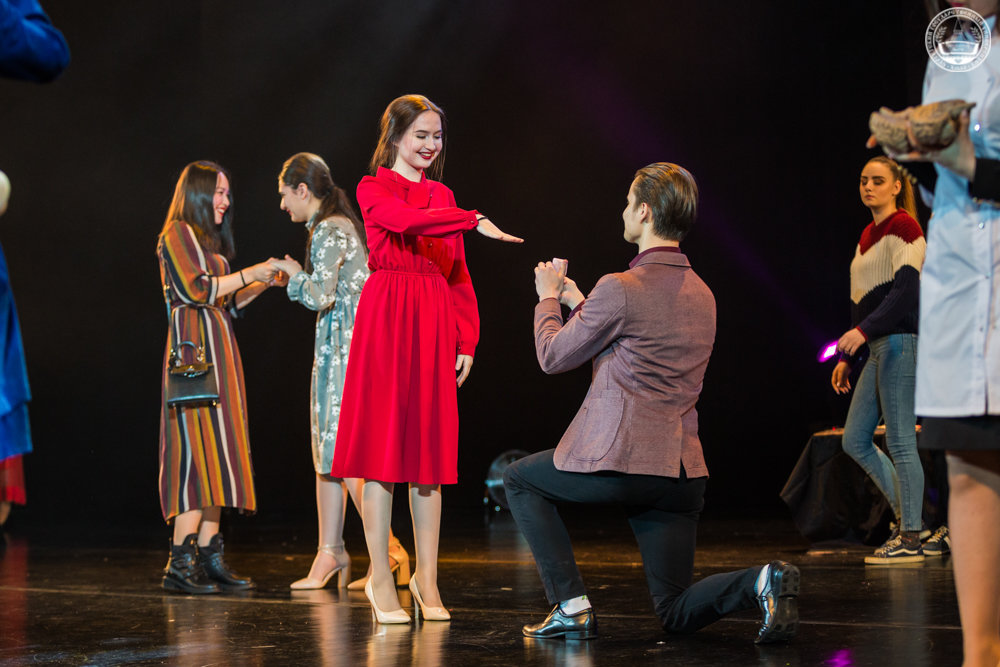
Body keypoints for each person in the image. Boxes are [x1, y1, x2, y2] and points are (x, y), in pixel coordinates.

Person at [503, 162, 799, 643]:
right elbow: (637, 339)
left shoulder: (622, 286)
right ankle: (760, 581)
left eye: (627, 203)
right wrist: (583, 303)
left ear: (643, 211)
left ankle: (571, 606)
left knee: (518, 480)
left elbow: (553, 357)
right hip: (680, 474)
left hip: (626, 464)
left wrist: (547, 299)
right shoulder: (703, 293)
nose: (623, 211)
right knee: (675, 610)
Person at [331, 94, 523, 623]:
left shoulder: (443, 196)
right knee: (381, 455)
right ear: (394, 137)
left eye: (437, 136)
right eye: (420, 135)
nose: (430, 145)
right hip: (387, 316)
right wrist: (471, 219)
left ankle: (428, 581)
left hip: (433, 317)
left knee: (428, 459)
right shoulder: (372, 188)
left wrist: (467, 340)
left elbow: (457, 273)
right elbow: (405, 222)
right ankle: (380, 580)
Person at [870, 2, 1000, 663]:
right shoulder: (951, 48)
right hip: (961, 284)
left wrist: (970, 163)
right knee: (970, 465)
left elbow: (976, 165)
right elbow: (947, 183)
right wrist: (917, 157)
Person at [268, 152, 410, 590]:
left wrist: (294, 275)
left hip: (347, 352)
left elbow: (320, 295)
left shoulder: (330, 228)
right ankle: (330, 551)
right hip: (341, 349)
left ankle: (389, 551)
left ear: (303, 190)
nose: (282, 205)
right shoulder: (336, 225)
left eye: (284, 195)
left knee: (344, 453)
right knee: (328, 454)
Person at [157, 160, 281, 594]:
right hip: (193, 359)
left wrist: (265, 281)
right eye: (219, 192)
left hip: (220, 356)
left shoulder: (205, 241)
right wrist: (249, 272)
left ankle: (210, 555)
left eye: (227, 193)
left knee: (218, 454)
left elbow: (228, 302)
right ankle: (180, 562)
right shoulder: (177, 234)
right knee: (195, 455)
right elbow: (197, 289)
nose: (226, 201)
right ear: (198, 192)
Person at [831, 157, 928, 564]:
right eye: (863, 181)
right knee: (855, 439)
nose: (868, 186)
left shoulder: (905, 227)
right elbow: (863, 301)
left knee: (901, 440)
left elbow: (904, 292)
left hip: (900, 343)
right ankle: (913, 522)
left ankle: (911, 536)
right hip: (876, 348)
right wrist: (847, 357)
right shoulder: (867, 235)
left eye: (877, 181)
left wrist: (862, 332)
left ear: (896, 187)